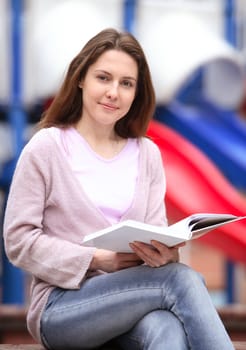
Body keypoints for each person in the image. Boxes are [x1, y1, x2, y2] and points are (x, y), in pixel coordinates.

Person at [3, 28, 234, 350]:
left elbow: (155, 231)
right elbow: (18, 240)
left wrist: (165, 253)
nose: (114, 92)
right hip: (63, 308)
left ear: (137, 93)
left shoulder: (147, 154)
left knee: (165, 327)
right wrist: (96, 259)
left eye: (126, 83)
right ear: (81, 78)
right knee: (181, 279)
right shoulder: (47, 147)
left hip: (135, 302)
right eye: (103, 78)